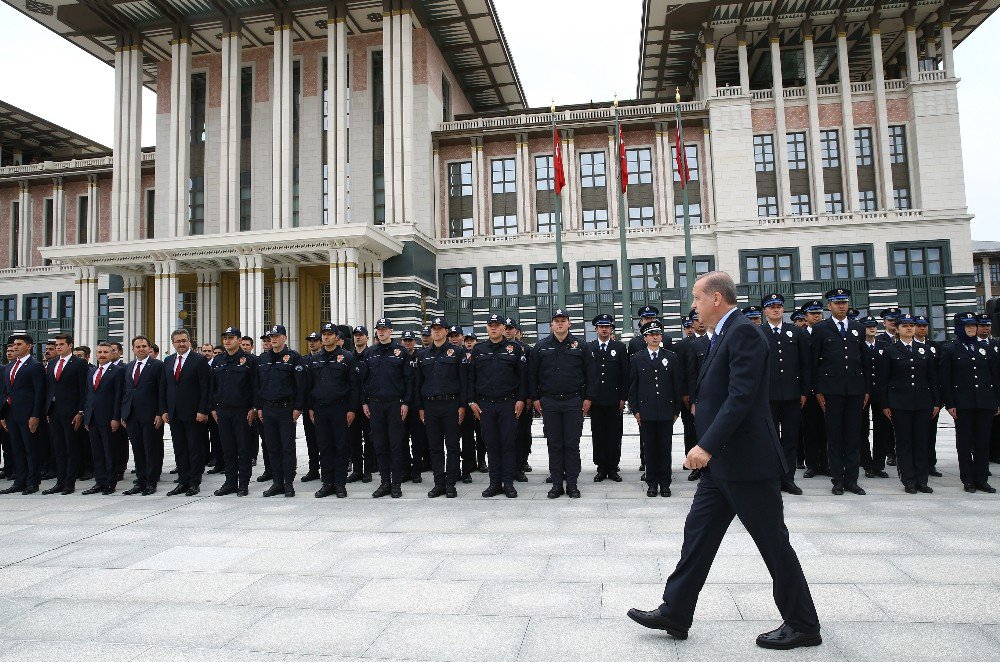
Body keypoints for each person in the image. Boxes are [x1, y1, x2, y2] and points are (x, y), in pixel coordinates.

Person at [627, 271, 821, 650]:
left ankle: (803, 624)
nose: (693, 306)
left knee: (772, 543)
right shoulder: (722, 334)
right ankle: (676, 610)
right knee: (697, 535)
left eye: (697, 299)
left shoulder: (744, 332)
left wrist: (707, 445)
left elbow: (741, 396)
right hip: (723, 467)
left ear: (716, 298)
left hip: (747, 463)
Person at [530, 308, 596, 499]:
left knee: (571, 443)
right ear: (551, 324)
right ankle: (557, 484)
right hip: (549, 401)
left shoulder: (581, 346)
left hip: (573, 401)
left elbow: (591, 374)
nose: (560, 324)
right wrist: (535, 398)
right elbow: (532, 375)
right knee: (554, 443)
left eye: (563, 320)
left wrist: (588, 398)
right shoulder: (541, 347)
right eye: (556, 320)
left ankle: (573, 484)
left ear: (569, 323)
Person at [811, 289, 869, 496]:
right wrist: (817, 390)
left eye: (844, 302)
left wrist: (866, 390)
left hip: (855, 389)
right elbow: (814, 362)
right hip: (831, 390)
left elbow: (864, 361)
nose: (842, 306)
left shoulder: (858, 328)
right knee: (834, 436)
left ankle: (852, 480)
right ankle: (837, 480)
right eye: (837, 303)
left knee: (853, 436)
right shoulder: (821, 329)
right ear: (830, 306)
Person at [876, 313, 940, 494]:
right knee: (904, 442)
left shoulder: (924, 350)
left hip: (922, 402)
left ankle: (922, 479)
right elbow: (883, 381)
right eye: (904, 326)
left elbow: (932, 378)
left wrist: (936, 401)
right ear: (897, 329)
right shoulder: (890, 351)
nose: (909, 328)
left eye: (911, 325)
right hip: (900, 403)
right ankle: (909, 480)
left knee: (921, 441)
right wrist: (885, 404)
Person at [939, 312, 999, 493]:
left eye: (974, 325)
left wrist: (997, 400)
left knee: (982, 442)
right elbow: (946, 379)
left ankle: (982, 478)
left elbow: (995, 376)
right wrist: (950, 404)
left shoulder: (986, 348)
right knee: (965, 443)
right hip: (963, 404)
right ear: (959, 327)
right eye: (968, 325)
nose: (972, 328)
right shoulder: (951, 349)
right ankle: (968, 479)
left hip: (985, 402)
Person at [469, 313, 527, 498]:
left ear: (504, 328)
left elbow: (522, 378)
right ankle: (494, 483)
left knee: (508, 444)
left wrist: (520, 399)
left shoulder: (515, 349)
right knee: (491, 444)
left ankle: (508, 483)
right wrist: (471, 401)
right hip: (486, 405)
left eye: (497, 325)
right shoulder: (479, 350)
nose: (493, 328)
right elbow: (471, 378)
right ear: (486, 328)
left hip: (508, 404)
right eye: (490, 325)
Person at [761, 293, 811, 496]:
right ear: (765, 310)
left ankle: (788, 479)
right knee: (770, 440)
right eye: (771, 307)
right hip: (768, 396)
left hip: (792, 395)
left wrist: (804, 391)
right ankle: (771, 479)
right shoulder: (759, 332)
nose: (775, 310)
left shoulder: (795, 332)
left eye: (779, 306)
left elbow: (805, 364)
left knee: (790, 439)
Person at [358, 318, 414, 498]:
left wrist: (406, 402)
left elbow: (408, 380)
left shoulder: (401, 352)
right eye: (378, 329)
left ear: (391, 331)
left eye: (384, 329)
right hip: (374, 404)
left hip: (395, 404)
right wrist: (364, 402)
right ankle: (384, 482)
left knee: (396, 445)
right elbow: (363, 381)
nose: (381, 332)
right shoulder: (370, 353)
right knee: (379, 444)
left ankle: (396, 483)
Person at [628, 320, 684, 497]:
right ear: (645, 338)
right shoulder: (637, 358)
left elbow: (677, 386)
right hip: (646, 412)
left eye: (657, 334)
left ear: (661, 337)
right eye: (651, 335)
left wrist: (676, 410)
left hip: (666, 411)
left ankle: (665, 483)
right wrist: (635, 410)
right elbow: (633, 387)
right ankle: (652, 483)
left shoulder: (671, 357)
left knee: (665, 449)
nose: (654, 337)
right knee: (650, 449)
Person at [415, 317, 467, 498]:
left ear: (446, 331)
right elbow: (418, 383)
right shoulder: (423, 355)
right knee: (435, 446)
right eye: (434, 329)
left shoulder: (457, 352)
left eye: (440, 328)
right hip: (430, 406)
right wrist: (420, 407)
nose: (436, 331)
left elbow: (463, 381)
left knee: (452, 446)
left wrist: (462, 405)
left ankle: (451, 484)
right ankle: (439, 483)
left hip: (451, 404)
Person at [306, 323, 360, 498]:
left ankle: (340, 484)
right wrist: (311, 407)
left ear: (337, 337)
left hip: (340, 408)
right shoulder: (315, 359)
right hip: (320, 409)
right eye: (324, 334)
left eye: (330, 334)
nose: (326, 337)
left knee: (341, 446)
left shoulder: (347, 358)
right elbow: (310, 386)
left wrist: (352, 409)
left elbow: (353, 385)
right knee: (324, 446)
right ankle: (327, 482)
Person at [255, 324, 306, 497]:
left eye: (277, 336)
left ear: (284, 337)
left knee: (287, 448)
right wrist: (259, 407)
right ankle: (277, 482)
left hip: (286, 410)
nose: (273, 339)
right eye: (271, 336)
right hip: (268, 409)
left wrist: (298, 407)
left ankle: (288, 483)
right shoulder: (262, 359)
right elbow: (258, 386)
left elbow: (301, 386)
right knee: (272, 447)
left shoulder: (294, 358)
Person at [160, 329, 212, 496]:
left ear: (190, 342)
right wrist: (164, 410)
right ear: (173, 343)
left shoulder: (199, 360)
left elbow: (206, 388)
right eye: (177, 341)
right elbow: (164, 388)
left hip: (194, 413)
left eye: (184, 340)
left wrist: (203, 410)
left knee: (194, 448)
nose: (181, 344)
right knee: (179, 448)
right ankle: (183, 481)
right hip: (174, 413)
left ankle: (194, 483)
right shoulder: (168, 361)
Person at [211, 326, 259, 497]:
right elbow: (213, 387)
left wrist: (254, 408)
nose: (227, 341)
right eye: (225, 338)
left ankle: (243, 483)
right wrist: (213, 408)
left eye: (231, 338)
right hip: (223, 411)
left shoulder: (249, 361)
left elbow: (255, 386)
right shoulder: (218, 360)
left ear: (239, 341)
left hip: (242, 412)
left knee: (243, 448)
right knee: (228, 448)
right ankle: (230, 482)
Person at [0, 334, 46, 494]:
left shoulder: (35, 366)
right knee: (17, 448)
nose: (15, 347)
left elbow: (39, 392)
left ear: (29, 346)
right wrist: (3, 415)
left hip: (28, 414)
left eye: (19, 344)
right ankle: (19, 480)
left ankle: (32, 482)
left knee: (30, 448)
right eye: (14, 344)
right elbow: (6, 391)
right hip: (11, 414)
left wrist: (35, 415)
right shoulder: (9, 367)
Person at [44, 333, 88, 495]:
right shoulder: (52, 363)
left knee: (71, 447)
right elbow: (49, 388)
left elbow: (83, 389)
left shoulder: (79, 363)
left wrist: (80, 411)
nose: (58, 347)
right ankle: (60, 481)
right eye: (57, 345)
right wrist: (47, 409)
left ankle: (69, 483)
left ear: (70, 345)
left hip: (71, 411)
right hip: (54, 411)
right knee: (58, 448)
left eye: (61, 344)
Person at [121, 335, 164, 495]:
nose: (141, 349)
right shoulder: (129, 367)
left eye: (144, 346)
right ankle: (140, 481)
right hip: (131, 415)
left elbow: (162, 391)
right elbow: (125, 391)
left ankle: (151, 482)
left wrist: (160, 413)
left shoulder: (158, 366)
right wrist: (123, 413)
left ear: (149, 348)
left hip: (151, 415)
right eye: (138, 347)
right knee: (137, 449)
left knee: (151, 449)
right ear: (133, 349)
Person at [587, 314, 627, 482]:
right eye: (601, 326)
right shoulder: (589, 348)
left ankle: (613, 466)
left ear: (611, 329)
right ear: (596, 329)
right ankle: (601, 467)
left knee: (614, 434)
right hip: (596, 400)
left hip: (613, 400)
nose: (604, 329)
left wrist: (623, 397)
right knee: (598, 434)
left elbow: (625, 374)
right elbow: (587, 374)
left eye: (607, 326)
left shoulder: (619, 347)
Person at [82, 342, 124, 495]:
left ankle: (110, 482)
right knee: (97, 452)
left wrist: (116, 417)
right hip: (92, 418)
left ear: (112, 353)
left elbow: (119, 395)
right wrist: (86, 417)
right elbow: (88, 395)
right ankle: (99, 481)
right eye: (99, 352)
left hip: (108, 418)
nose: (102, 355)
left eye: (106, 352)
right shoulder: (91, 371)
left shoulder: (118, 371)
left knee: (109, 451)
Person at [914, 316, 944, 477]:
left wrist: (939, 399)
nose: (922, 328)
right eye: (919, 326)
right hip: (911, 397)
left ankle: (930, 464)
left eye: (925, 326)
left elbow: (938, 374)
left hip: (930, 396)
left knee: (930, 434)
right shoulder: (904, 347)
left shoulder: (934, 347)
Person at [346, 325, 375, 483]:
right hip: (352, 404)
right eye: (356, 335)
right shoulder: (349, 357)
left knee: (369, 439)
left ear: (367, 337)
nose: (358, 337)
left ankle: (368, 470)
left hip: (368, 405)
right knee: (353, 438)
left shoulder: (371, 355)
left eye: (361, 335)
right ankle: (357, 469)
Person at [299, 331, 322, 483]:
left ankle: (328, 469)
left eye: (315, 340)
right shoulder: (303, 360)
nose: (312, 343)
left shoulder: (324, 358)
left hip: (322, 406)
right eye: (310, 340)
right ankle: (313, 469)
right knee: (311, 440)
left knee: (325, 440)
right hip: (308, 407)